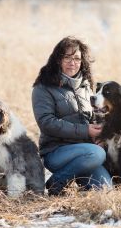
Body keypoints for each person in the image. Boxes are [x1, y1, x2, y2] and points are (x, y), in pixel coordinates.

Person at [32, 37, 112, 196]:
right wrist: (86, 131)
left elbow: (92, 118)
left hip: (86, 153)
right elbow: (46, 123)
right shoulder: (43, 87)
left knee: (105, 190)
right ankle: (58, 181)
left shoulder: (86, 85)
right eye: (67, 57)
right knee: (97, 153)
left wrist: (98, 136)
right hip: (56, 152)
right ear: (57, 59)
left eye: (77, 58)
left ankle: (75, 177)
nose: (72, 62)